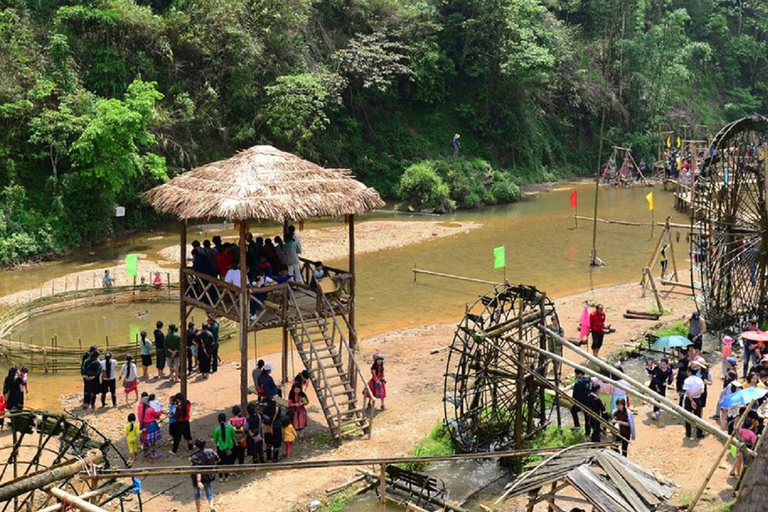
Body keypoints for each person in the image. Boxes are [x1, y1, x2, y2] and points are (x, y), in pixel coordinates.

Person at [190, 438, 220, 512]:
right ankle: (211, 505)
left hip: (197, 477)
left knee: (197, 494)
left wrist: (199, 481)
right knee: (209, 492)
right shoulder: (210, 451)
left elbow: (198, 469)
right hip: (208, 475)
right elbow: (218, 459)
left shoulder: (194, 456)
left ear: (196, 446)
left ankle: (198, 510)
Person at [682, 365, 705, 439]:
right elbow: (702, 390)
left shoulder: (687, 380)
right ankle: (699, 433)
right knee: (698, 417)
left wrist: (691, 400)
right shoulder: (699, 380)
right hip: (697, 399)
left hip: (689, 400)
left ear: (689, 372)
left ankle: (688, 433)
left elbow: (688, 392)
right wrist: (694, 395)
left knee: (688, 416)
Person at [213, 413, 235, 481]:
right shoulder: (230, 427)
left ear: (218, 420)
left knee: (220, 462)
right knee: (228, 462)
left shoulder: (216, 429)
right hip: (229, 447)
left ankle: (220, 477)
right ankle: (226, 476)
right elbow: (233, 435)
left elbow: (215, 440)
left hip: (220, 448)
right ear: (226, 419)